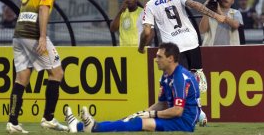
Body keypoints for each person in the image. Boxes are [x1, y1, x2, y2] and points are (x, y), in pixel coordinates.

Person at [138, 0, 226, 126]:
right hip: (192, 41)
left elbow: (146, 32)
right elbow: (195, 5)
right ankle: (199, 111)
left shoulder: (150, 4)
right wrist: (216, 16)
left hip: (173, 48)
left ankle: (194, 112)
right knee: (195, 77)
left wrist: (141, 47)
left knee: (181, 82)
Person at [65, 42, 201, 133]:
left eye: (159, 57)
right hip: (175, 118)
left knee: (139, 123)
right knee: (131, 118)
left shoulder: (180, 78)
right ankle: (77, 126)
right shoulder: (165, 76)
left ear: (170, 58)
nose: (156, 59)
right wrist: (143, 112)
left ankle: (93, 127)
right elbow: (162, 103)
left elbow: (177, 110)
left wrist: (150, 114)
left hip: (184, 122)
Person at [6, 0, 72, 133]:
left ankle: (12, 122)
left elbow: (24, 2)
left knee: (22, 78)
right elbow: (44, 7)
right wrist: (42, 36)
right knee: (57, 72)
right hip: (32, 33)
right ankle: (48, 118)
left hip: (19, 32)